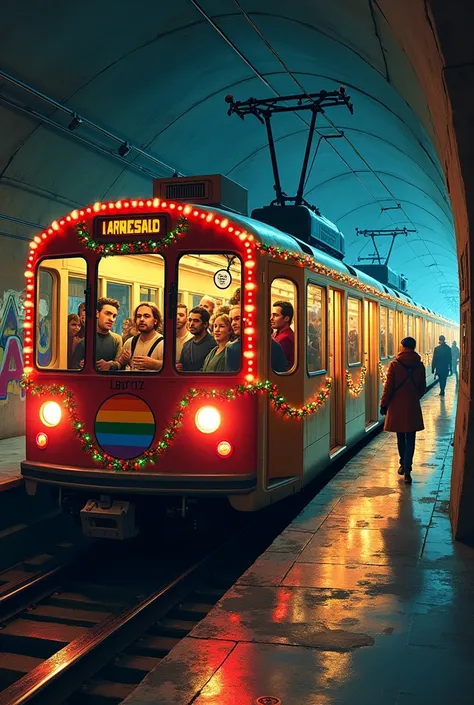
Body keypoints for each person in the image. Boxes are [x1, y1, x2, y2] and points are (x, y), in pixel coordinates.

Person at [380, 337, 426, 484]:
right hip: (412, 405)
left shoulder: (394, 364)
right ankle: (408, 470)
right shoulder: (420, 365)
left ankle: (402, 464)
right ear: (414, 347)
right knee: (411, 437)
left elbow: (388, 388)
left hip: (397, 406)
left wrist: (384, 404)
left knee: (400, 436)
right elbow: (422, 388)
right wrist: (413, 397)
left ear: (402, 347)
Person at [226, 305, 288, 373]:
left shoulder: (274, 346)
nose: (233, 323)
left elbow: (282, 375)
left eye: (237, 319)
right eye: (231, 320)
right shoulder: (232, 348)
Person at [72, 297, 123, 371]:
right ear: (97, 313)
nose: (111, 319)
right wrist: (82, 365)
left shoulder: (117, 339)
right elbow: (74, 367)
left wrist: (111, 365)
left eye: (114, 316)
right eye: (107, 314)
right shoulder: (84, 341)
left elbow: (120, 364)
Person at [119, 303, 164, 371]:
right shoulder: (129, 343)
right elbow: (120, 365)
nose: (142, 319)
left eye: (146, 316)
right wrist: (123, 361)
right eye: (139, 316)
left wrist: (155, 364)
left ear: (155, 321)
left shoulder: (163, 344)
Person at [177, 306, 216, 372]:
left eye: (196, 321)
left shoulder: (213, 344)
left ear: (205, 324)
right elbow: (181, 369)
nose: (191, 324)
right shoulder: (186, 345)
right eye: (190, 320)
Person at [271, 300, 295, 369]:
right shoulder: (278, 334)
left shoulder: (284, 339)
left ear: (286, 318)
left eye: (276, 315)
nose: (271, 318)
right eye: (271, 315)